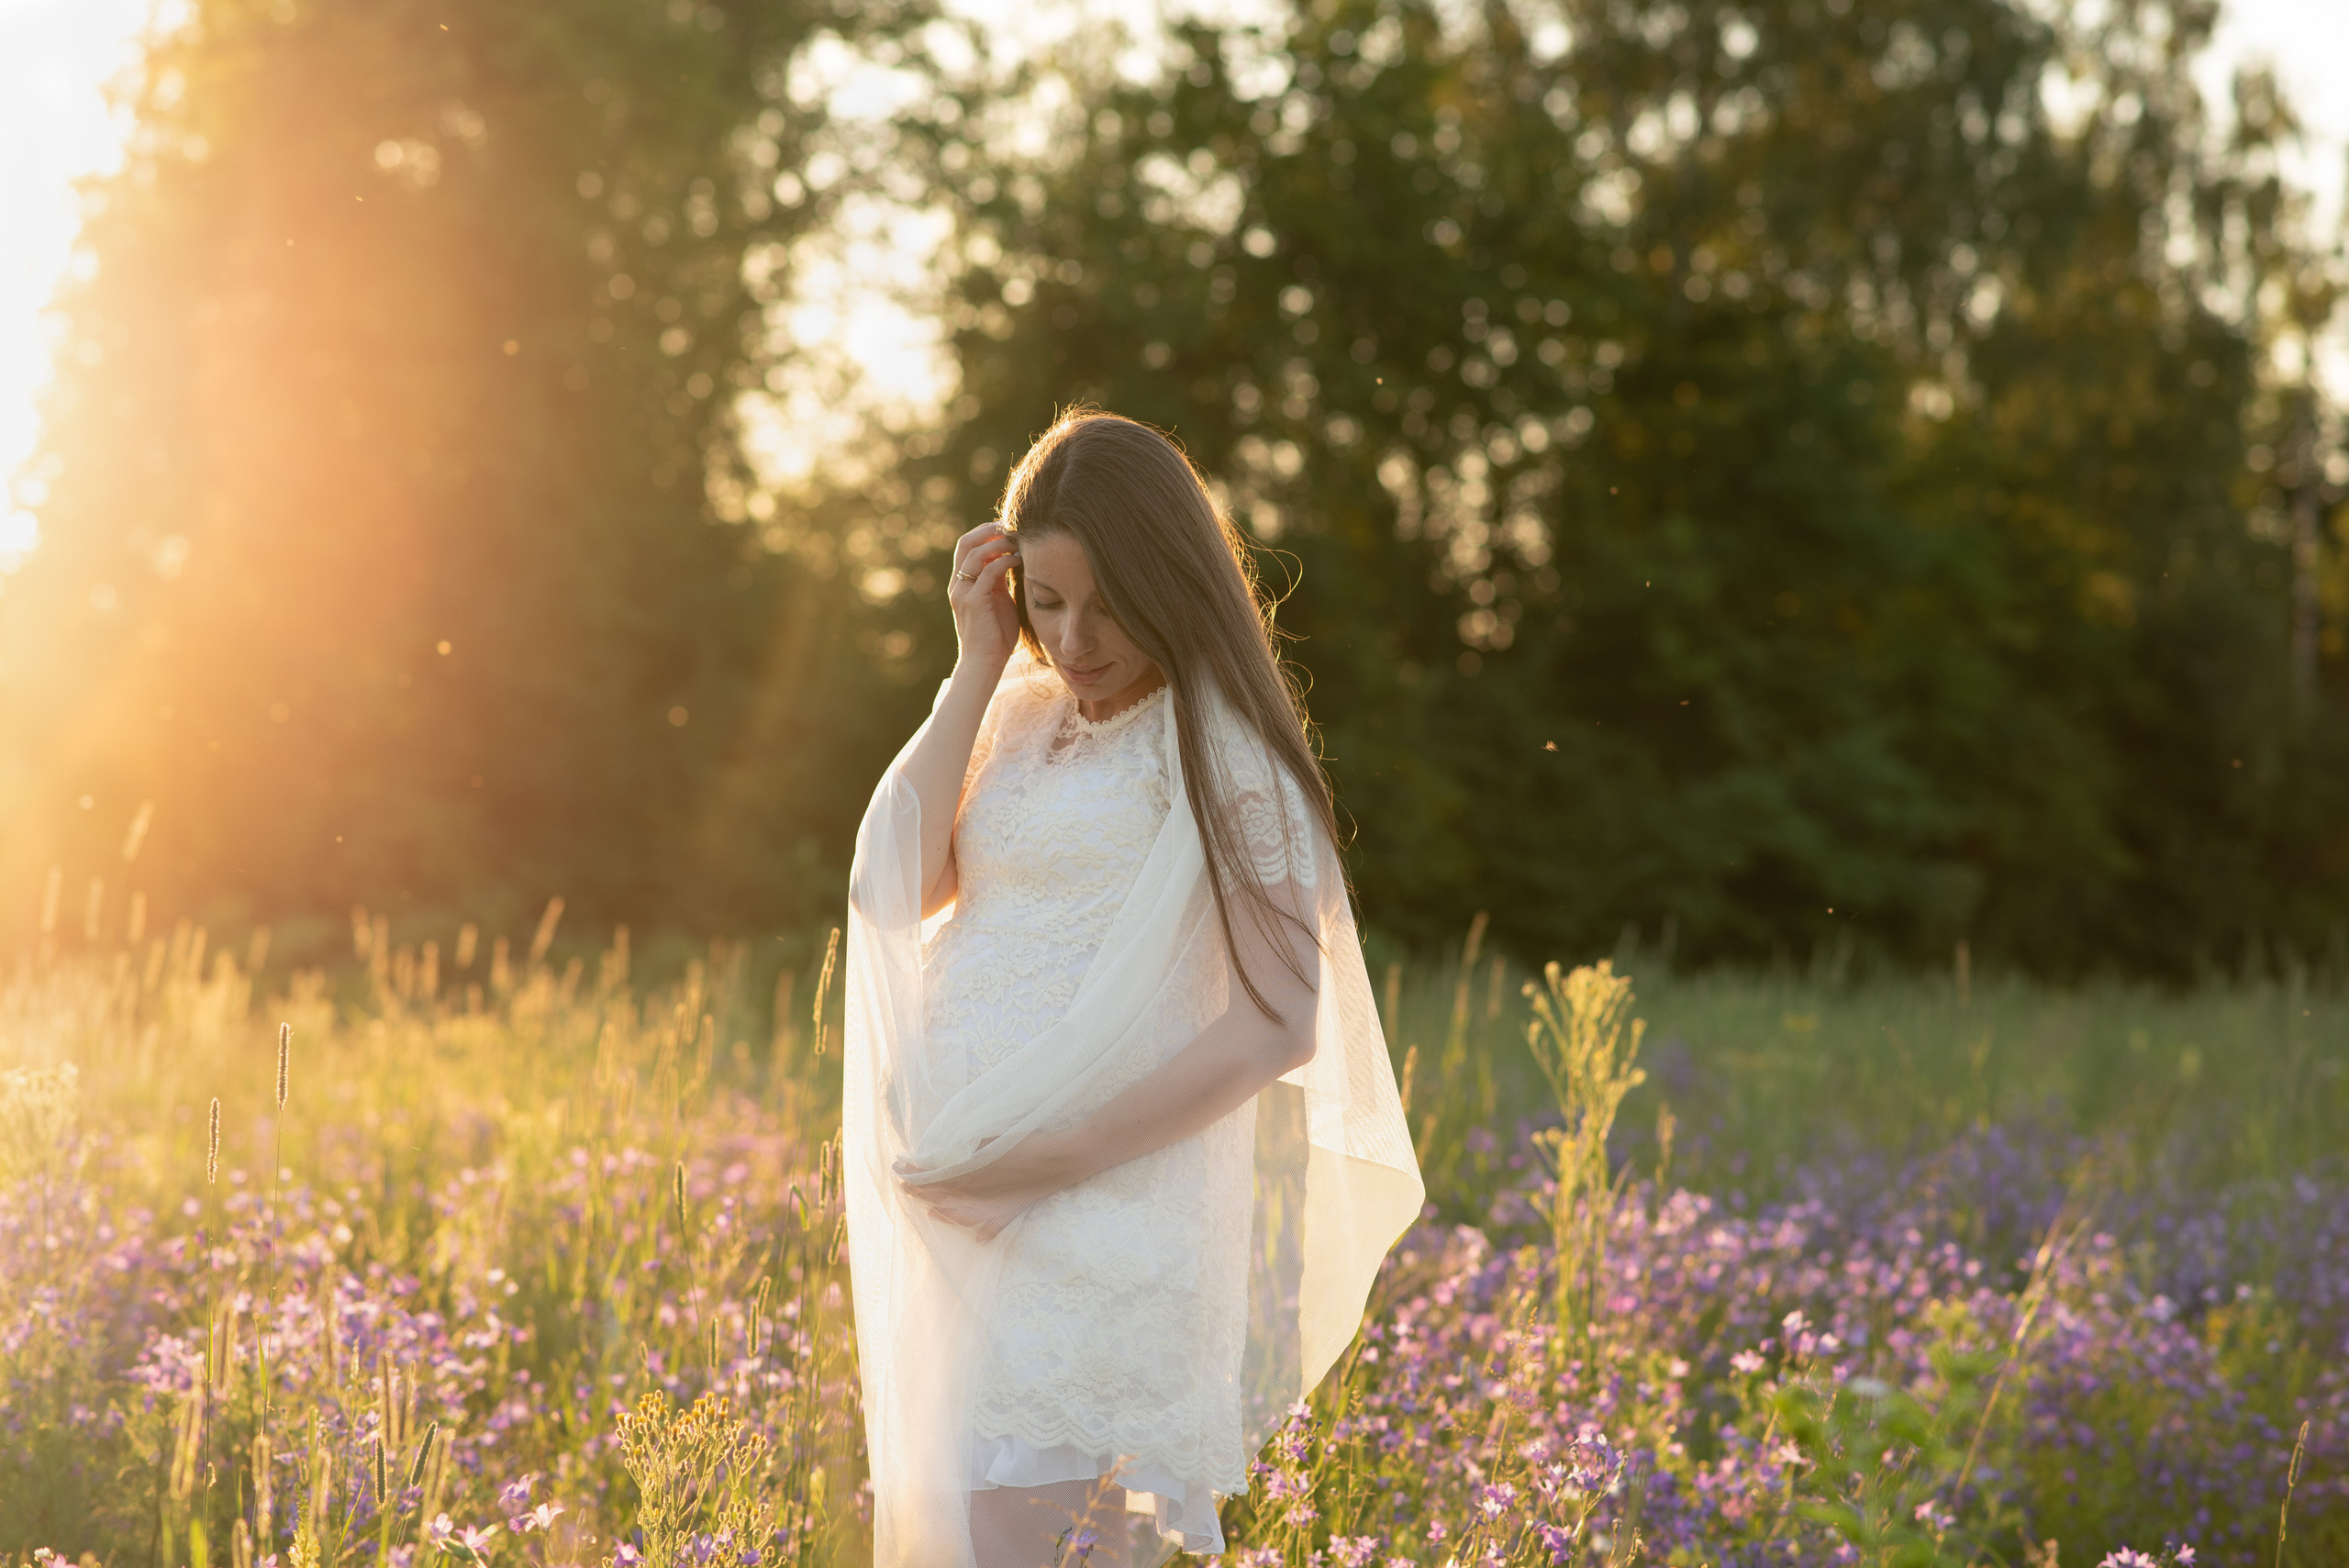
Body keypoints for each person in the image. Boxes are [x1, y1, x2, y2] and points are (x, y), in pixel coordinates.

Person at [841, 409, 1422, 1568]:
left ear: (1170, 579)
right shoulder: (1019, 716)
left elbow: (1278, 1022)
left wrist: (1045, 1159)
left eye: (1106, 603)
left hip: (1102, 1211)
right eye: (1046, 601)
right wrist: (974, 660)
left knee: (1035, 1541)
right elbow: (891, 886)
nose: (1074, 637)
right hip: (972, 1205)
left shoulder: (1224, 749)